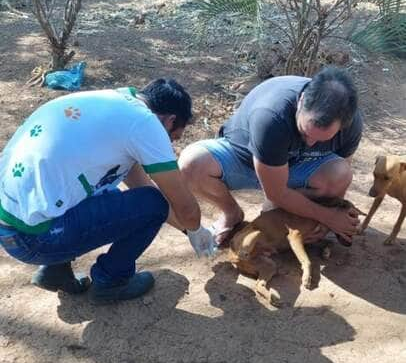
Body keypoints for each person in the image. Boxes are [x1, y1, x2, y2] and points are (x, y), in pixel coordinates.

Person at [0, 78, 215, 302]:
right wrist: (196, 228)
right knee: (153, 204)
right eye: (173, 136)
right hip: (35, 238)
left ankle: (55, 271)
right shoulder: (145, 123)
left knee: (109, 194)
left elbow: (139, 184)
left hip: (10, 226)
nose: (169, 142)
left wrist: (187, 230)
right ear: (170, 121)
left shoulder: (111, 104)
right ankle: (111, 281)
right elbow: (180, 207)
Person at [179, 66, 363, 245]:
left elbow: (341, 171)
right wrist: (328, 216)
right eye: (305, 133)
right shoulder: (271, 115)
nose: (310, 143)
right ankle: (232, 213)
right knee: (192, 164)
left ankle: (284, 212)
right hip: (245, 160)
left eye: (321, 139)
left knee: (340, 174)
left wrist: (325, 219)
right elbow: (276, 193)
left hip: (296, 167)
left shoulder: (351, 125)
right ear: (301, 101)